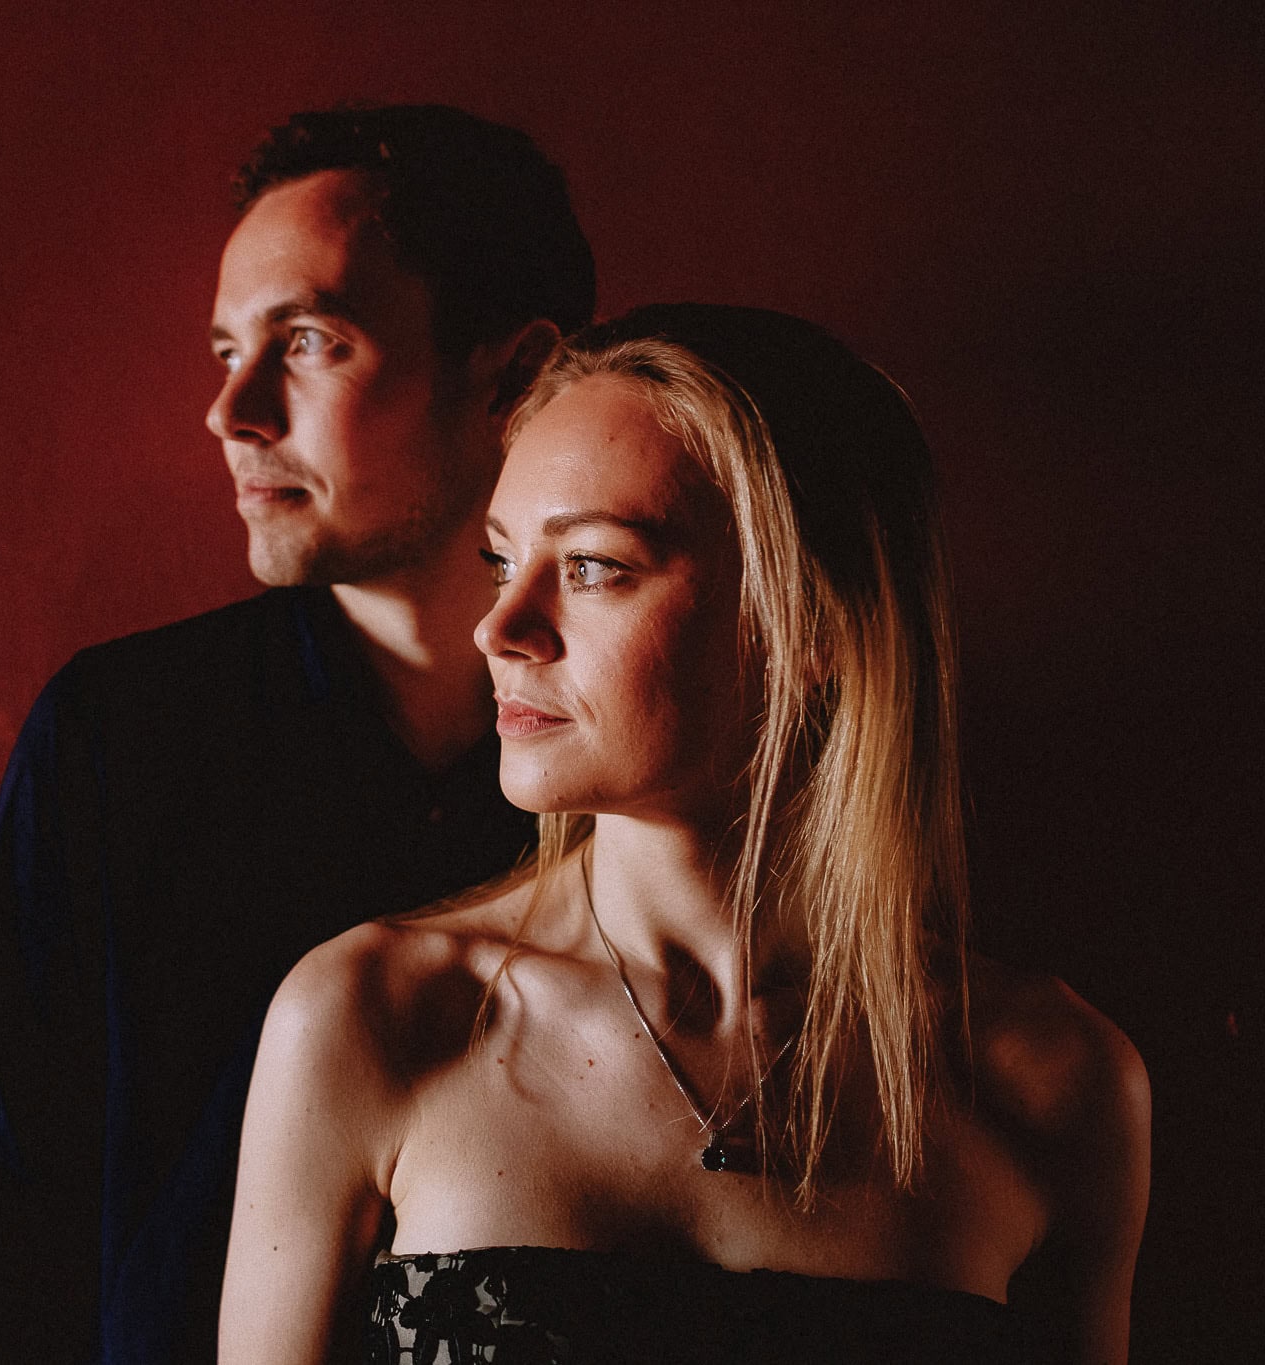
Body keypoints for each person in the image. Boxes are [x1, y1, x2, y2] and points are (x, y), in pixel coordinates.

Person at [221, 305, 1152, 1364]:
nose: (498, 628)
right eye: (498, 560)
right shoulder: (374, 1018)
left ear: (814, 627)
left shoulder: (1051, 1082)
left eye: (592, 567)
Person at [0, 106, 596, 1364]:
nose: (230, 409)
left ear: (511, 371)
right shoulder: (120, 740)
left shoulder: (646, 756)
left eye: (309, 342)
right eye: (224, 349)